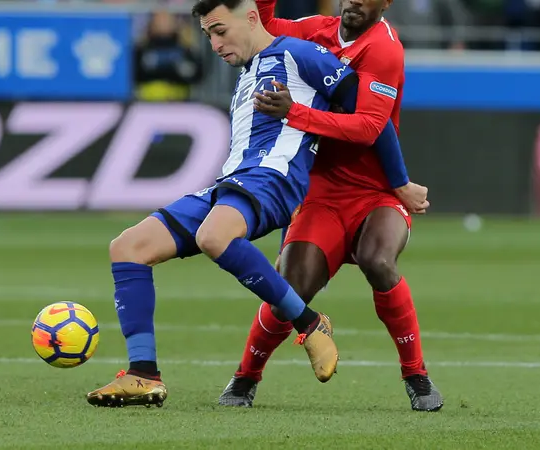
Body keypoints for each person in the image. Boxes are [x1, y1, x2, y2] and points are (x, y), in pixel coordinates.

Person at [85, 0, 409, 408]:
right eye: (208, 36)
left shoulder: (300, 53)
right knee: (128, 247)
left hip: (274, 178)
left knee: (214, 236)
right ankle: (143, 374)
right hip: (230, 184)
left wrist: (399, 183)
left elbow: (371, 121)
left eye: (220, 31)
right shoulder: (248, 73)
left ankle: (309, 323)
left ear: (251, 18)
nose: (215, 44)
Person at [218, 0, 444, 412]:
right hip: (320, 193)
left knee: (379, 261)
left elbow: (368, 128)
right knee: (292, 287)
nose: (353, 0)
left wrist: (296, 114)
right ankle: (245, 378)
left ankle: (417, 376)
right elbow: (264, 24)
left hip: (376, 193)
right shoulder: (315, 30)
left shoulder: (384, 48)